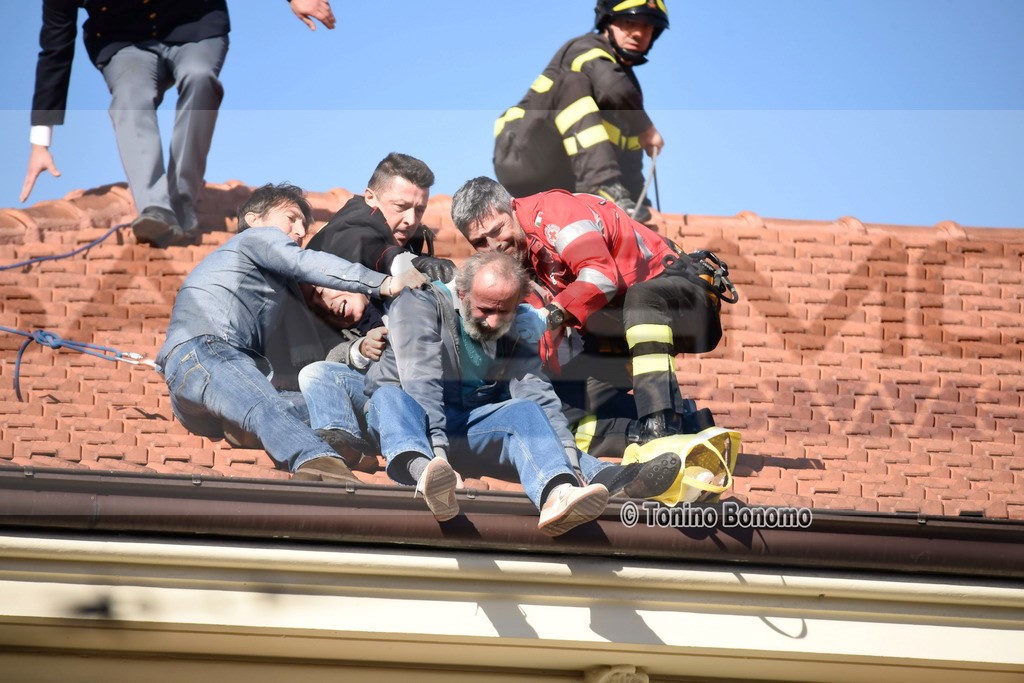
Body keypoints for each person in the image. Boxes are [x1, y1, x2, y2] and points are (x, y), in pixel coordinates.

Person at [362, 252, 681, 536]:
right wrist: (441, 462)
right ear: (462, 293)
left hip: (465, 425)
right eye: (486, 310)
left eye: (506, 312)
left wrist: (570, 462)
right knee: (390, 397)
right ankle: (426, 474)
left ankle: (575, 488)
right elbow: (422, 384)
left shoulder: (514, 327)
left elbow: (538, 394)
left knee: (526, 413)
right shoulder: (420, 304)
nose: (495, 322)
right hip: (409, 421)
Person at [156, 183, 426, 483]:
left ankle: (255, 430)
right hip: (206, 351)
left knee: (306, 401)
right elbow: (308, 263)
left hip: (198, 390)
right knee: (265, 405)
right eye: (291, 218)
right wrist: (384, 283)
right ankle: (319, 462)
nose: (299, 232)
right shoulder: (255, 238)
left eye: (303, 225)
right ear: (254, 219)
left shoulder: (261, 276)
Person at [21, 0, 336, 248]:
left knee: (200, 78)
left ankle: (182, 200)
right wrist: (40, 141)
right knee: (130, 97)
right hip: (124, 43)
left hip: (195, 27)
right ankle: (156, 210)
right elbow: (55, 50)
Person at [451, 177, 723, 446]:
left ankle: (662, 425)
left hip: (684, 303)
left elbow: (601, 277)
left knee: (642, 298)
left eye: (497, 230)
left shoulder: (553, 212)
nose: (494, 245)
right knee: (556, 405)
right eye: (480, 242)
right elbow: (545, 347)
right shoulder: (516, 267)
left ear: (511, 207)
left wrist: (549, 316)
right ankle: (680, 427)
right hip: (617, 332)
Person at [492, 0, 669, 224]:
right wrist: (646, 127)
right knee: (573, 82)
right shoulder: (585, 47)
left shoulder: (629, 93)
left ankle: (605, 192)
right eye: (628, 23)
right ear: (607, 23)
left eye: (647, 27)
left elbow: (630, 155)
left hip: (564, 179)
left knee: (628, 113)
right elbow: (611, 87)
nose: (638, 33)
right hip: (521, 154)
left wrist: (639, 206)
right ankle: (601, 186)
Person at [305, 152, 456, 281]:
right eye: (400, 206)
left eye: (419, 210)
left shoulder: (411, 242)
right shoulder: (348, 227)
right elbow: (365, 246)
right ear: (370, 198)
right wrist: (413, 263)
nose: (411, 220)